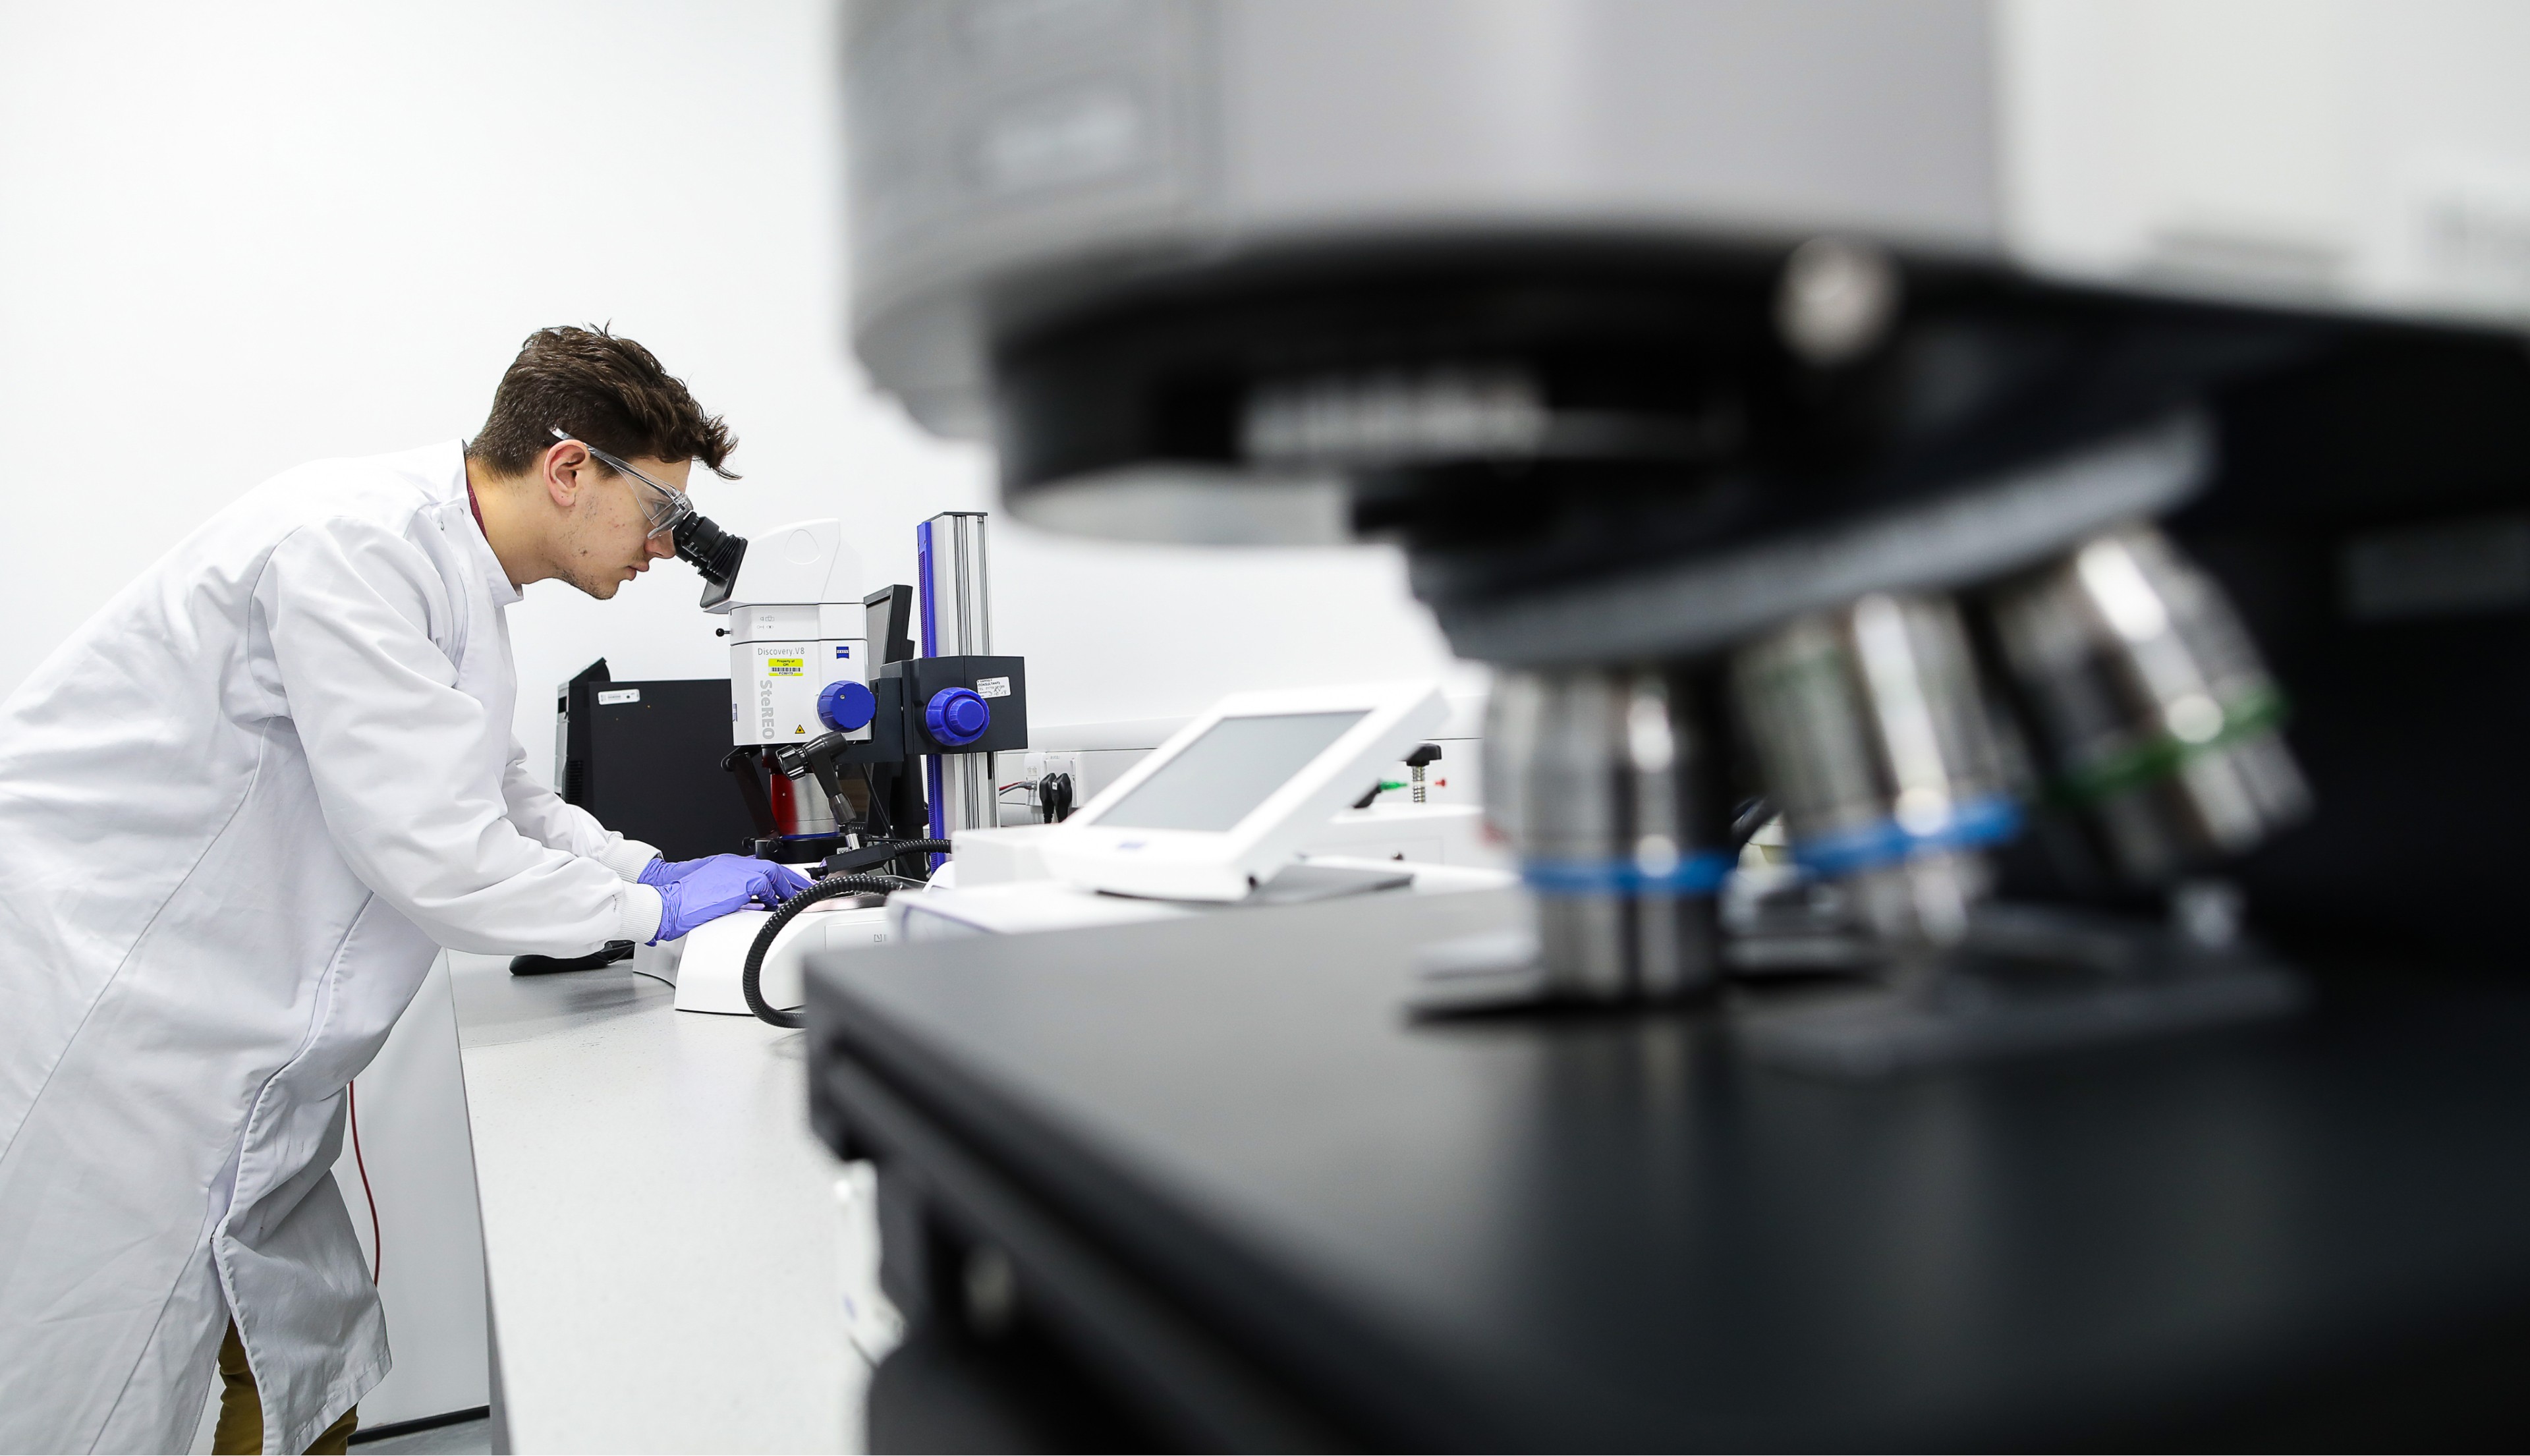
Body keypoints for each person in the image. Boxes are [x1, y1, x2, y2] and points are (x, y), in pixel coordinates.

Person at [0, 325, 811, 1454]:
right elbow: (441, 854)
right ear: (570, 468)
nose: (668, 548)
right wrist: (655, 914)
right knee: (103, 1395)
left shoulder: (454, 577)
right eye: (662, 514)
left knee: (307, 1359)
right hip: (124, 1036)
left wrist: (647, 868)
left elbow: (497, 789)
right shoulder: (356, 544)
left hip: (233, 1050)